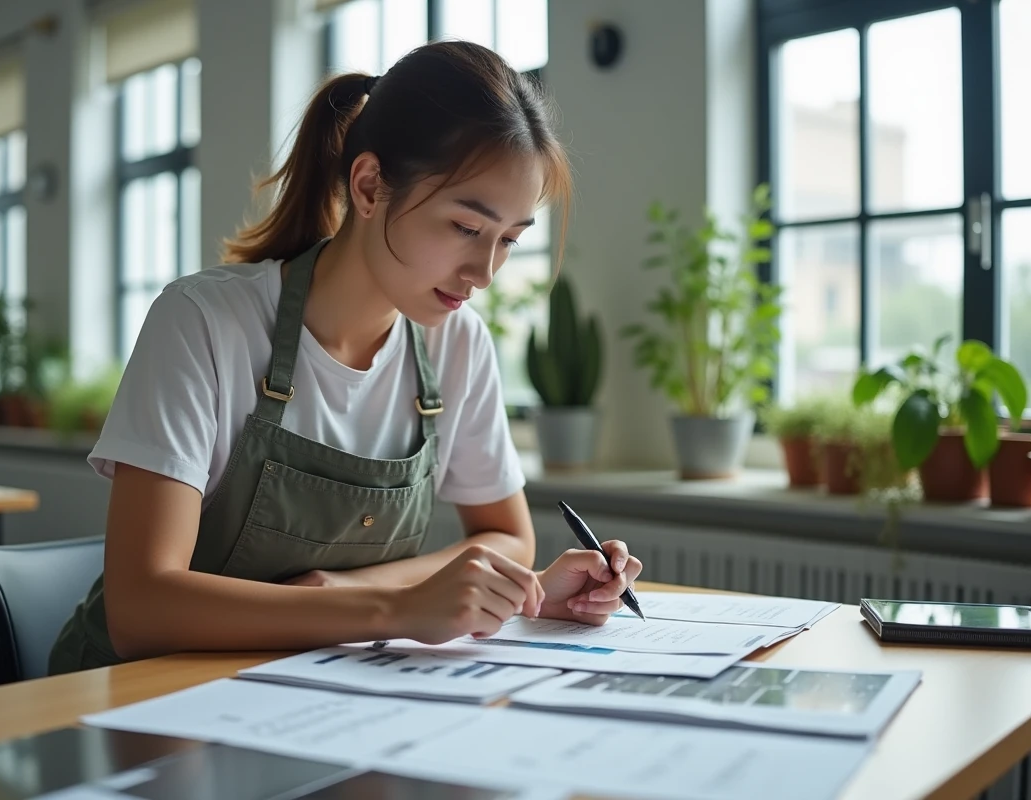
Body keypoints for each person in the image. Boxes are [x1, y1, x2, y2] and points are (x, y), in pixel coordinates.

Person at [48, 40, 643, 675]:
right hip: (133, 699)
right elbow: (141, 609)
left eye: (509, 240)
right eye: (466, 228)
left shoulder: (456, 342)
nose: (485, 272)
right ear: (367, 186)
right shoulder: (203, 322)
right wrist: (396, 607)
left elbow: (508, 536)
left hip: (311, 689)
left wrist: (478, 590)